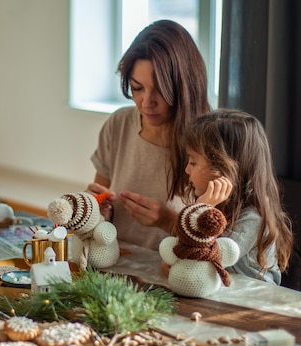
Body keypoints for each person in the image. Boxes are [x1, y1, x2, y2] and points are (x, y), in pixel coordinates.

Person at [87, 20, 211, 249]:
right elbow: (100, 210)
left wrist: (169, 221)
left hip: (173, 273)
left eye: (161, 90)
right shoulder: (118, 124)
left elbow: (216, 242)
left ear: (183, 86)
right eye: (137, 88)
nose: (146, 103)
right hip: (114, 262)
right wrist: (94, 209)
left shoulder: (210, 140)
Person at [181, 109, 293, 284]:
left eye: (193, 162)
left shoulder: (253, 220)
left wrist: (199, 210)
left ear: (223, 170)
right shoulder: (218, 206)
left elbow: (198, 261)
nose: (187, 169)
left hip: (253, 304)